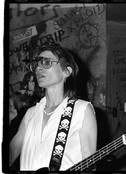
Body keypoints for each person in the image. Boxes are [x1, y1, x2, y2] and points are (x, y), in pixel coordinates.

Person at [9, 42, 97, 171]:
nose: (38, 68)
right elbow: (10, 156)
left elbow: (90, 165)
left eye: (46, 62)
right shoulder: (31, 113)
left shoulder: (82, 110)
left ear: (66, 71)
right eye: (36, 64)